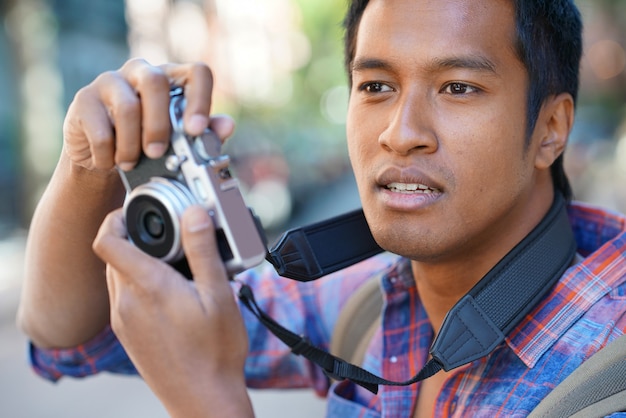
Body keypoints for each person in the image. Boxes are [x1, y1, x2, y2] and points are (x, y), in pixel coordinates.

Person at [17, 0, 626, 416]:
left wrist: (210, 401)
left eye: (458, 88)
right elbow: (69, 334)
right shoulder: (371, 300)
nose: (401, 132)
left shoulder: (608, 369)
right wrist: (87, 162)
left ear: (550, 128)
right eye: (376, 87)